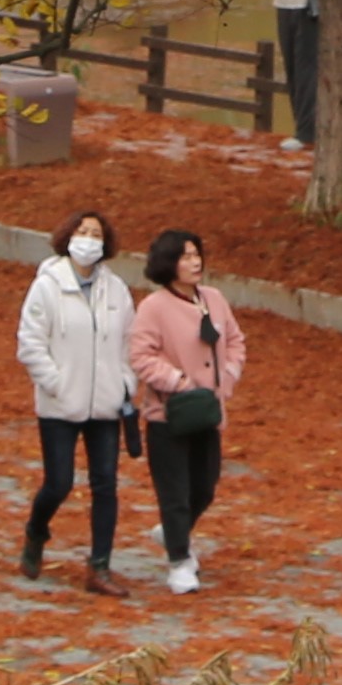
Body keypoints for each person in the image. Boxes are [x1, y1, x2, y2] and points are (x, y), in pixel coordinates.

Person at [12, 205, 138, 589]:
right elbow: (31, 343)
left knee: (105, 484)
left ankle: (99, 566)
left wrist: (125, 384)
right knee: (59, 482)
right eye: (83, 232)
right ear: (68, 237)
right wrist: (56, 382)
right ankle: (36, 531)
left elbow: (130, 343)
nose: (89, 240)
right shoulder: (47, 286)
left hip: (106, 404)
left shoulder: (116, 290)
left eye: (97, 234)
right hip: (60, 404)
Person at [127, 227, 248, 593]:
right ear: (169, 263)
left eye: (197, 255)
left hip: (208, 413)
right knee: (174, 492)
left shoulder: (214, 299)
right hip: (170, 415)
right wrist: (179, 382)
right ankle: (179, 561)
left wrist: (228, 376)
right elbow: (141, 356)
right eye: (185, 257)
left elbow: (235, 341)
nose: (195, 263)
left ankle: (172, 532)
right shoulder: (154, 307)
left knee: (204, 486)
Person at [268, 0, 323, 145]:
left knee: (306, 71)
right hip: (283, 7)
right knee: (291, 69)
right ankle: (302, 127)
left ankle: (307, 133)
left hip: (306, 10)